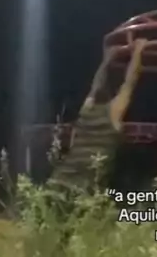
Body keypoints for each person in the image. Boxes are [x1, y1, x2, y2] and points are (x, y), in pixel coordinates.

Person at [50, 38, 148, 194]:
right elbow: (130, 82)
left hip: (61, 177)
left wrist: (106, 61)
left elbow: (95, 87)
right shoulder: (113, 112)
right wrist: (138, 52)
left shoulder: (87, 109)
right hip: (84, 185)